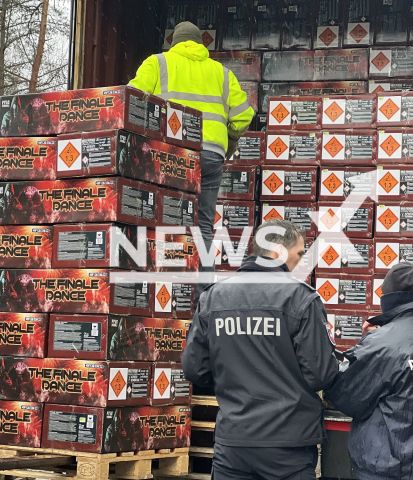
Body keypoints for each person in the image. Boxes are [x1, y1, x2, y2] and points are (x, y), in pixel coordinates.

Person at [182, 219, 338, 480]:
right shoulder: (300, 298)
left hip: (233, 444)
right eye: (299, 253)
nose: (300, 261)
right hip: (288, 446)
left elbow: (194, 369)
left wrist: (233, 381)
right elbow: (321, 373)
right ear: (278, 250)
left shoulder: (214, 297)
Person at [129, 21, 255, 299]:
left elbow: (130, 100)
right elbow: (244, 116)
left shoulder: (158, 63)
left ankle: (162, 296)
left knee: (164, 220)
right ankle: (203, 298)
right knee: (204, 227)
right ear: (201, 44)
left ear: (174, 42)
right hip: (211, 155)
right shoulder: (221, 73)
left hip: (170, 153)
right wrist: (229, 138)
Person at [325, 262, 413, 480]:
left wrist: (367, 344)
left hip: (390, 470)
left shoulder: (380, 345)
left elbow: (345, 397)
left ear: (388, 298)